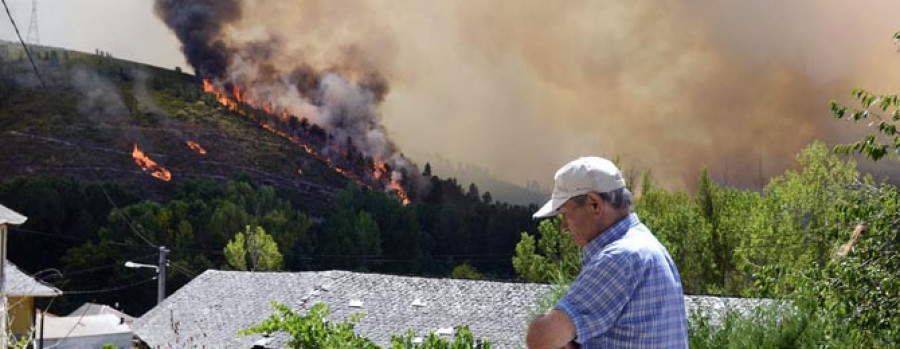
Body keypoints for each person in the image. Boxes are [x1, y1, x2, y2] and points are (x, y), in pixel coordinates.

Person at [525, 157, 688, 349]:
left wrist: (545, 321)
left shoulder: (618, 258)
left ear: (594, 204)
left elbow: (541, 339)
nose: (563, 227)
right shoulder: (648, 248)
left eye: (565, 214)